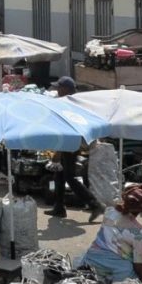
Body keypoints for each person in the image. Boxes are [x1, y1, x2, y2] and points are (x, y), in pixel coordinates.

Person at [80, 184, 142, 284]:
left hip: (90, 262)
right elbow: (139, 266)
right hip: (117, 271)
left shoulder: (109, 212)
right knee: (132, 271)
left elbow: (122, 237)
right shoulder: (140, 232)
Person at [46, 76, 105, 221]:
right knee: (59, 175)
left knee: (69, 177)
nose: (56, 90)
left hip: (71, 143)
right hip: (69, 142)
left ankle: (95, 204)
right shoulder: (70, 101)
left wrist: (58, 152)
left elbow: (68, 130)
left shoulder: (70, 104)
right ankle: (59, 207)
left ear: (66, 89)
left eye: (59, 87)